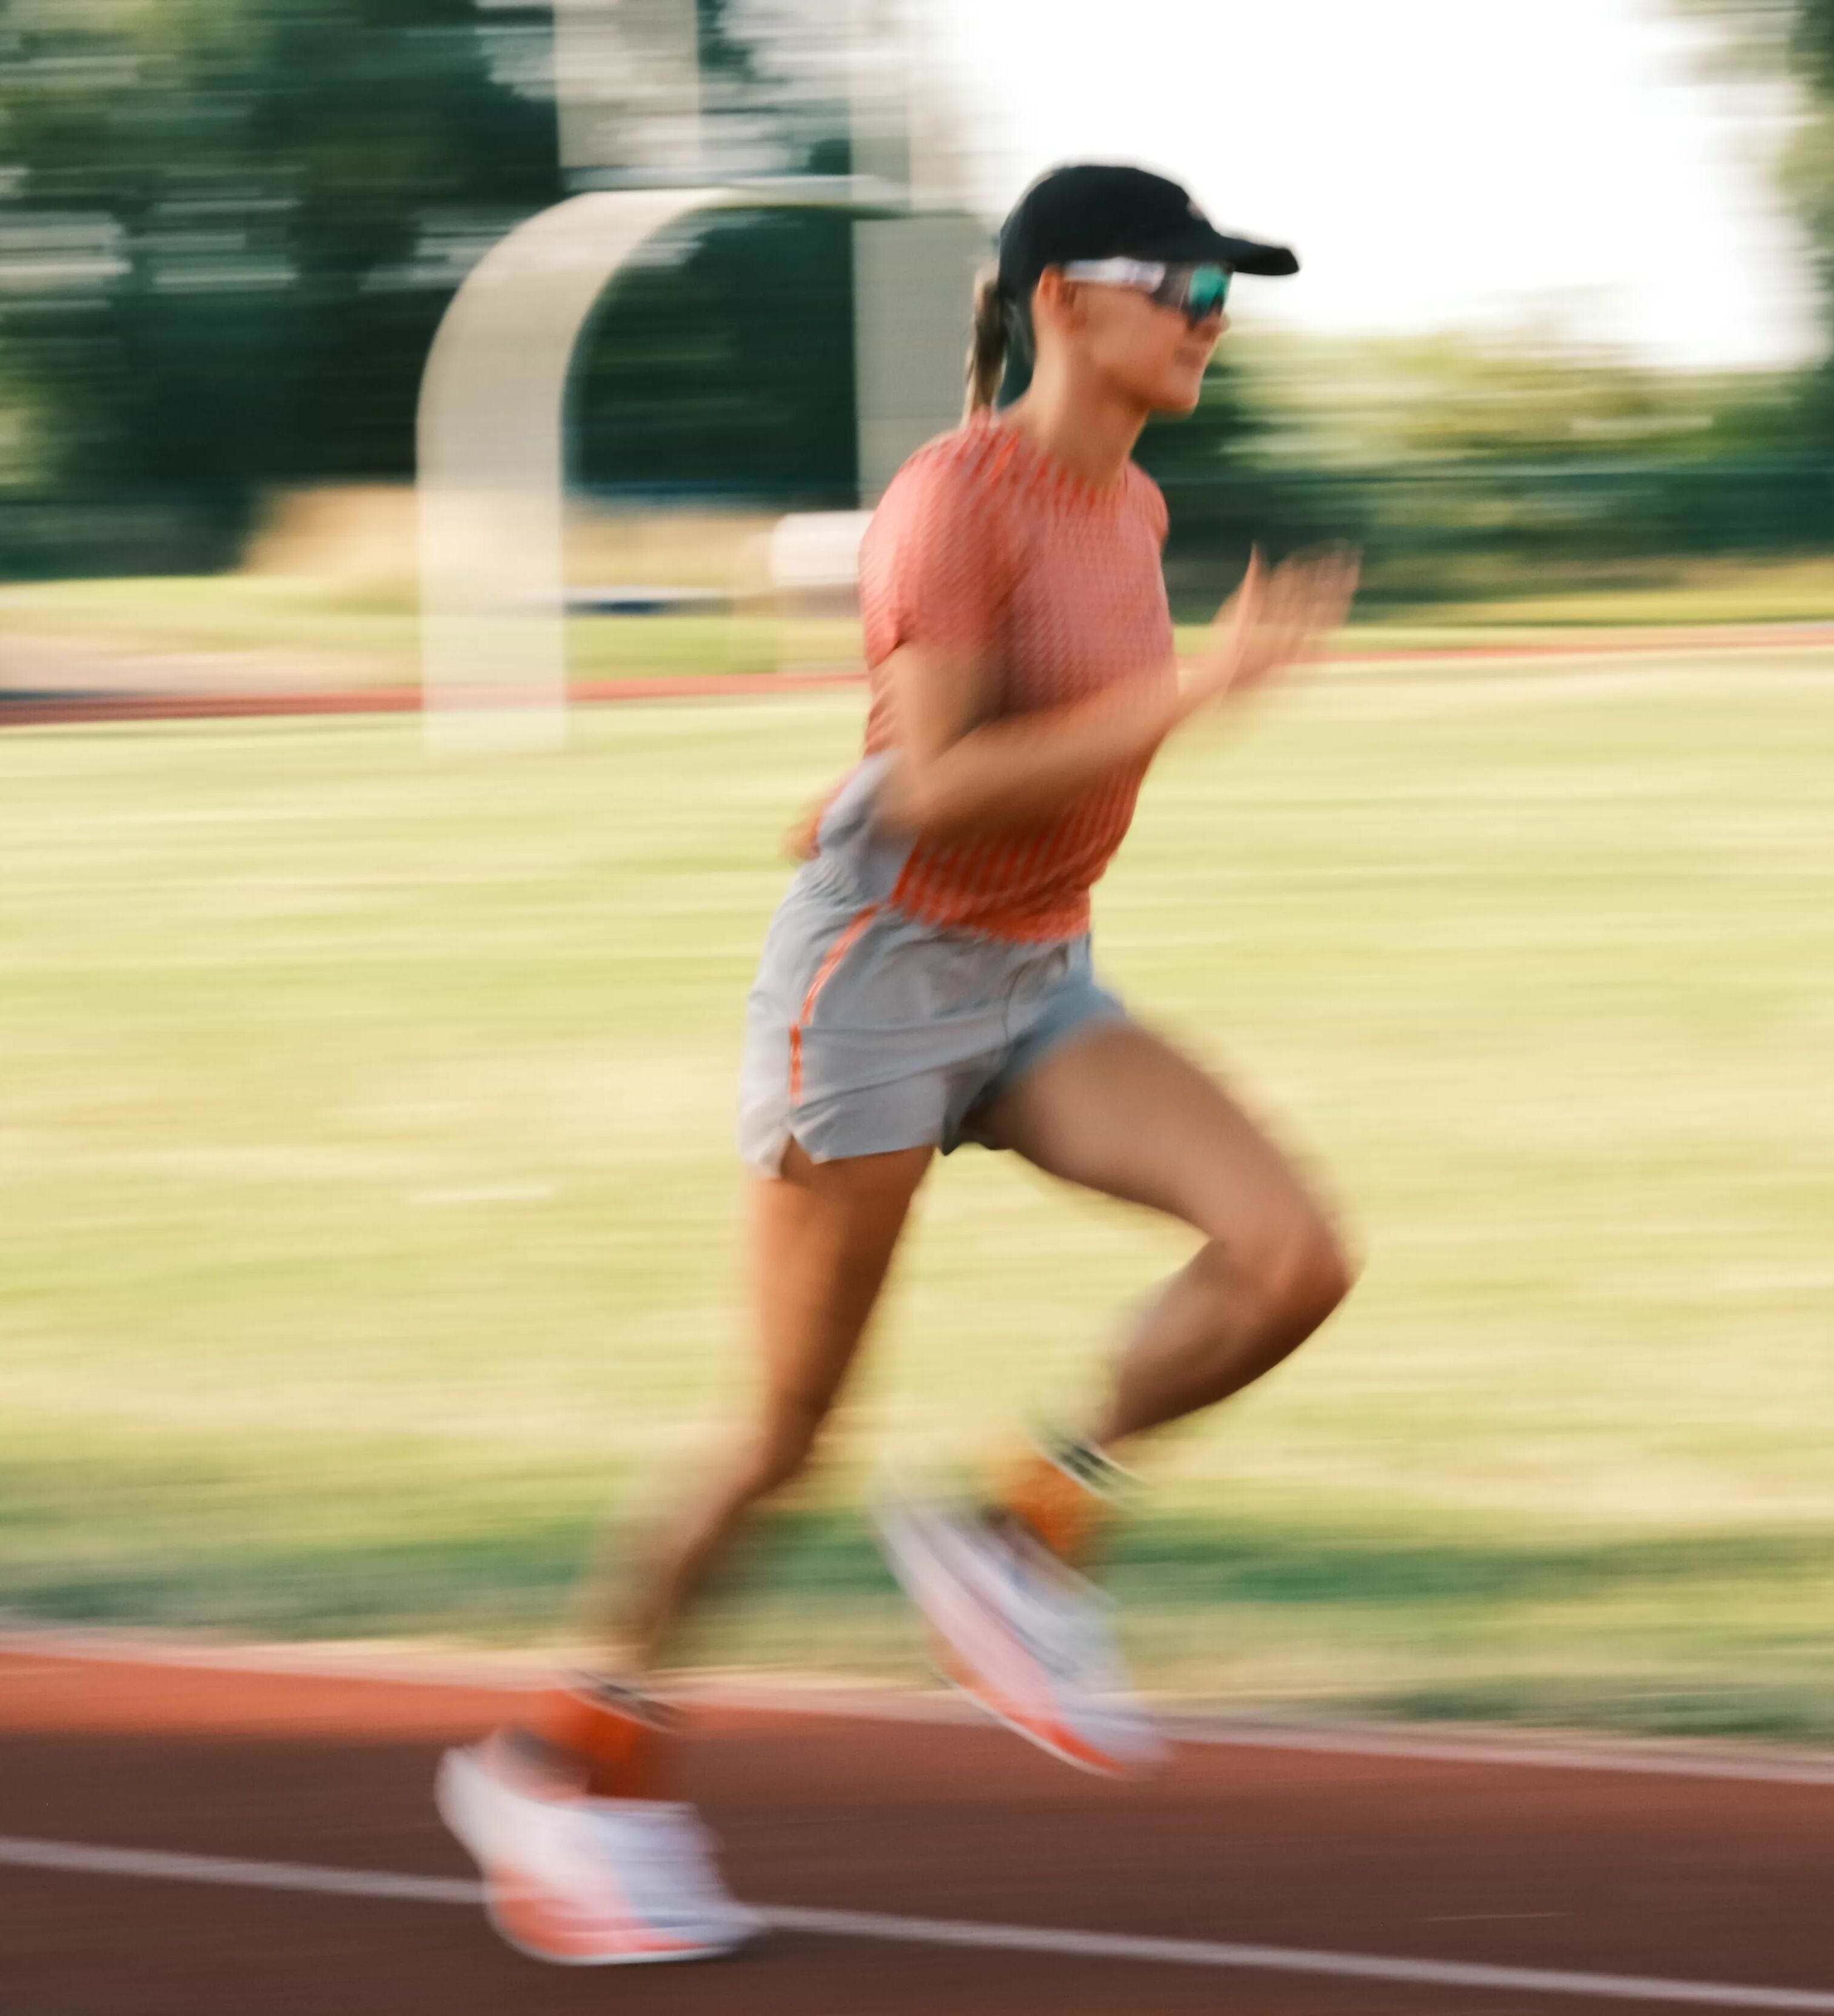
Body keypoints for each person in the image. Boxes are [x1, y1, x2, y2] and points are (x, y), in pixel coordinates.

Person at [438, 161, 1362, 1967]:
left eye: (1225, 295)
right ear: (1065, 301)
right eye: (1185, 287)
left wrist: (893, 774)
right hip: (878, 991)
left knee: (1291, 1254)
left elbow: (958, 749)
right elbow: (937, 785)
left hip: (1035, 976)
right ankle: (561, 1765)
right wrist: (1192, 694)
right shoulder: (955, 496)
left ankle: (1021, 1536)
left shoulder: (1135, 507)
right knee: (785, 1437)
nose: (1212, 320)